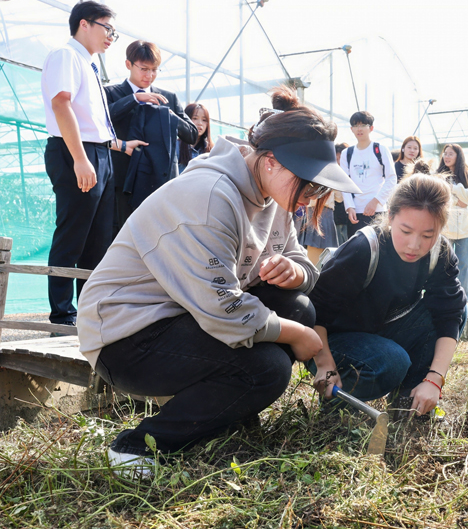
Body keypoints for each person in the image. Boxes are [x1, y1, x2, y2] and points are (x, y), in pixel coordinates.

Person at [76, 86, 362, 476]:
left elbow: (300, 263)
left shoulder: (273, 196)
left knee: (297, 304)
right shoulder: (209, 197)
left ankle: (225, 413)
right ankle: (136, 448)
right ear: (272, 162)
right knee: (267, 369)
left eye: (319, 190)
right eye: (310, 185)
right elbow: (222, 309)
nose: (312, 199)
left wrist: (296, 272)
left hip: (183, 315)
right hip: (126, 335)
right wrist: (300, 337)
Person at [309, 174, 467, 418]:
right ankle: (338, 407)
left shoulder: (440, 254)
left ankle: (409, 403)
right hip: (331, 341)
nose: (414, 245)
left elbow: (450, 314)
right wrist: (324, 364)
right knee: (392, 361)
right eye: (406, 231)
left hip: (382, 330)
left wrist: (435, 379)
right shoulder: (364, 249)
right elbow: (315, 311)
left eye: (427, 235)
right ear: (391, 217)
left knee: (458, 307)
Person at [40, 1, 142, 331]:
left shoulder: (90, 64)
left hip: (98, 154)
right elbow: (61, 104)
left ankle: (87, 313)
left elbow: (92, 122)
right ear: (84, 24)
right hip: (76, 153)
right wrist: (81, 160)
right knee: (72, 235)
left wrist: (117, 147)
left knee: (97, 240)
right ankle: (63, 315)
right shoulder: (66, 55)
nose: (112, 36)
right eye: (107, 28)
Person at [105, 40, 197, 231]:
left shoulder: (168, 98)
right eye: (144, 69)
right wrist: (134, 99)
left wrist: (166, 114)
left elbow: (192, 135)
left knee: (160, 235)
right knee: (121, 236)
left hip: (161, 181)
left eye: (155, 70)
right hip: (122, 182)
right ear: (128, 64)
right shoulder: (111, 93)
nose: (149, 75)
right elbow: (101, 120)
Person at [340, 111, 397, 237]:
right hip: (355, 212)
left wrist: (375, 201)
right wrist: (349, 207)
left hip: (377, 211)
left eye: (363, 125)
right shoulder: (347, 153)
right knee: (357, 251)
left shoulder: (380, 149)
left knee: (378, 249)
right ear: (351, 129)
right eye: (355, 125)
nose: (359, 129)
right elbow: (345, 183)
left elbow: (392, 178)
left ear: (371, 128)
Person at [437, 144, 468, 301]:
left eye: (450, 154)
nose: (446, 156)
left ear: (458, 156)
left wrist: (453, 188)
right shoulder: (438, 176)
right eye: (445, 154)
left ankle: (463, 299)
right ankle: (444, 296)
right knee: (443, 264)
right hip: (445, 227)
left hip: (464, 227)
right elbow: (440, 199)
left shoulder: (466, 175)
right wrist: (460, 196)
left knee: (463, 265)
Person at [178, 102, 214, 173]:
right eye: (195, 118)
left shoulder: (212, 150)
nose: (200, 123)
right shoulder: (175, 147)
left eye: (204, 120)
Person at [332, 142, 350, 244]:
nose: (338, 162)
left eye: (341, 158)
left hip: (351, 218)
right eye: (336, 159)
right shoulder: (332, 174)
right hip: (337, 219)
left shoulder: (353, 173)